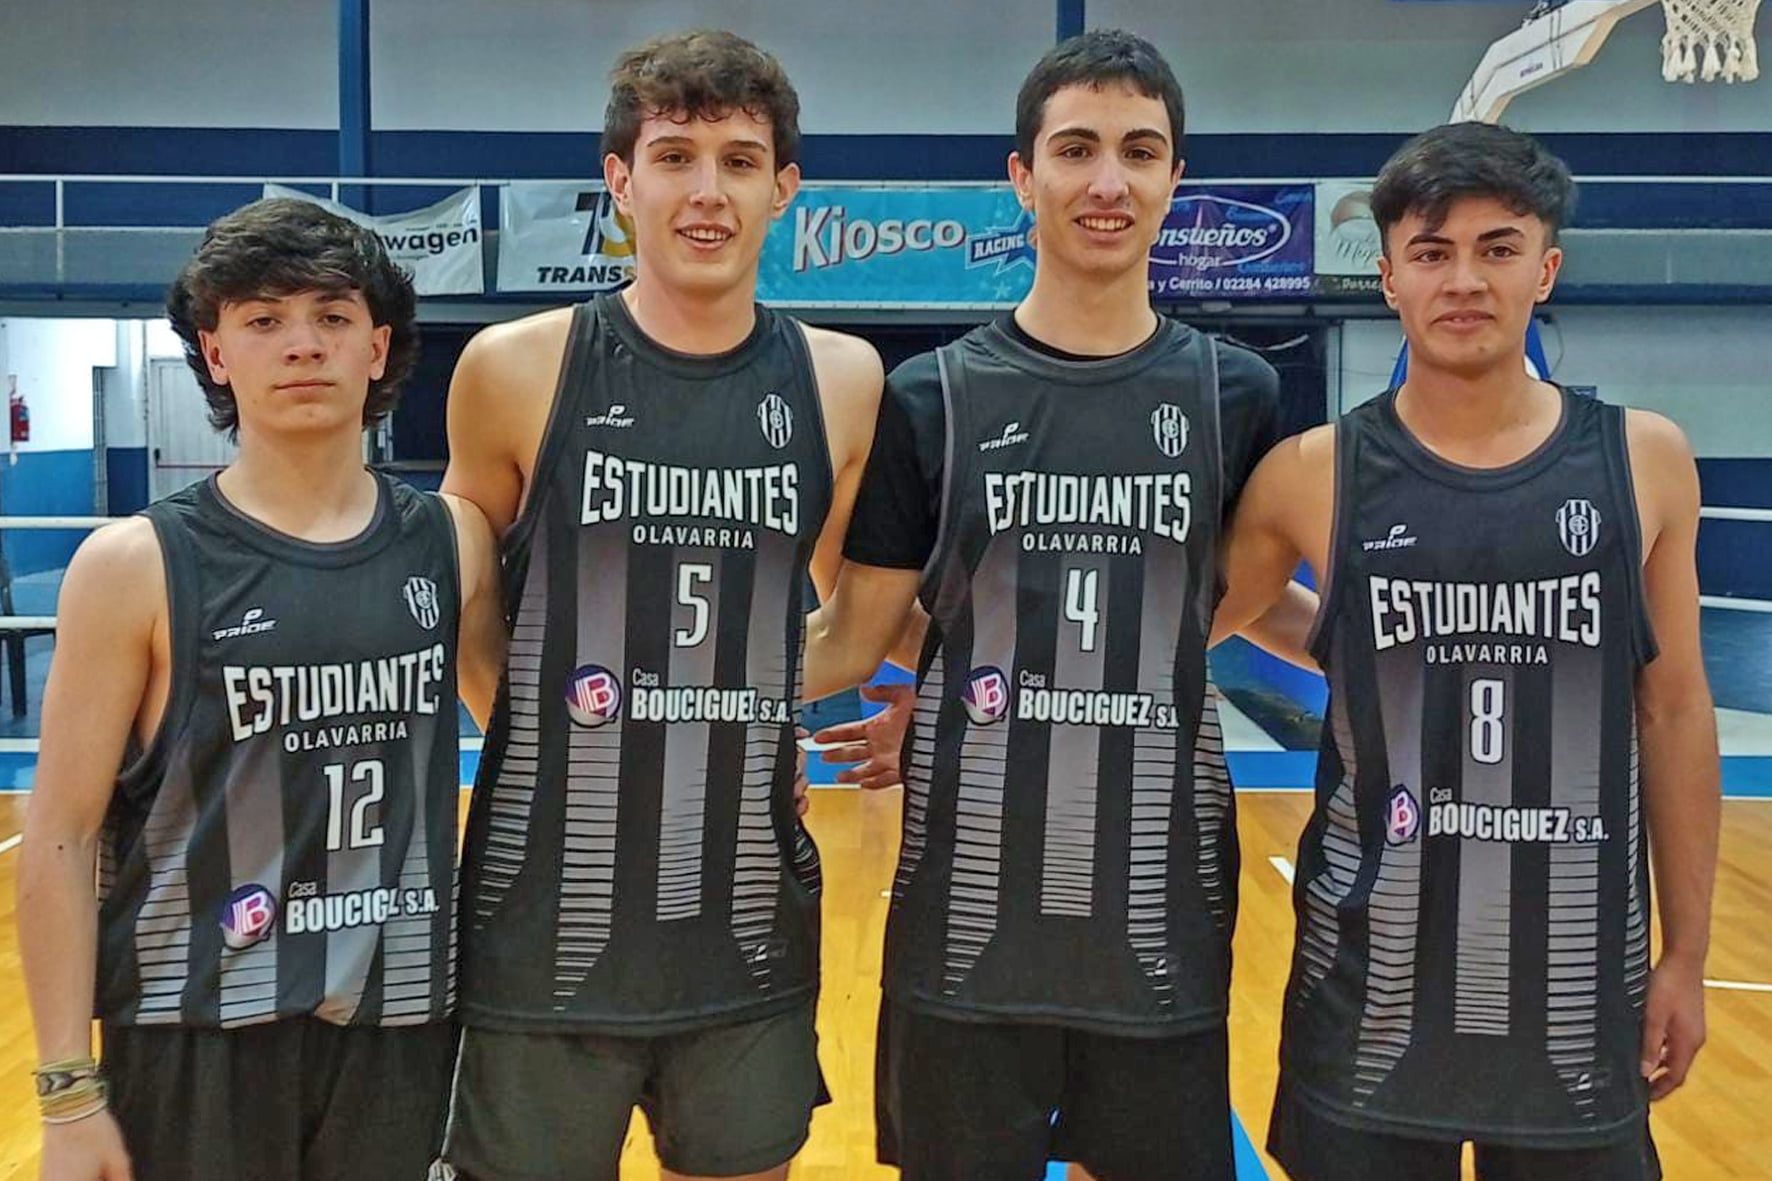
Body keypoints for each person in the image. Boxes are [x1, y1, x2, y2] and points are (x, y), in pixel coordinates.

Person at [804, 29, 1313, 1181]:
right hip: (967, 915)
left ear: (1174, 178)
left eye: (1139, 151)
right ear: (1021, 176)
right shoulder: (929, 396)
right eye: (1075, 149)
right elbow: (871, 621)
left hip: (1159, 911)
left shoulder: (1236, 393)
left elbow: (1232, 602)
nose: (1106, 180)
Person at [1211, 121, 1718, 1181]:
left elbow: (1672, 709)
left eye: (1498, 248)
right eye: (1433, 252)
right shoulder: (1311, 471)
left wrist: (1685, 954)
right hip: (1366, 986)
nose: (1464, 280)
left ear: (1546, 269)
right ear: (1388, 276)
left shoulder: (1645, 460)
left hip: (1577, 989)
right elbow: (1188, 624)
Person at [435, 29, 884, 1181]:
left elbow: (846, 616)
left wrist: (747, 706)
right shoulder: (512, 367)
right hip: (541, 927)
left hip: (743, 925)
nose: (706, 192)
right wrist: (568, 740)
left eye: (739, 161)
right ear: (620, 181)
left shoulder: (841, 380)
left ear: (784, 189)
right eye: (674, 156)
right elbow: (465, 614)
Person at [18, 196, 504, 1181]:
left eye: (332, 315)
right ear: (214, 351)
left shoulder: (451, 542)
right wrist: (66, 1090)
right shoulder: (133, 564)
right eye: (264, 318)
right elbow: (62, 831)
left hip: (401, 1024)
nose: (302, 344)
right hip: (194, 1028)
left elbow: (522, 740)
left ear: (377, 346)